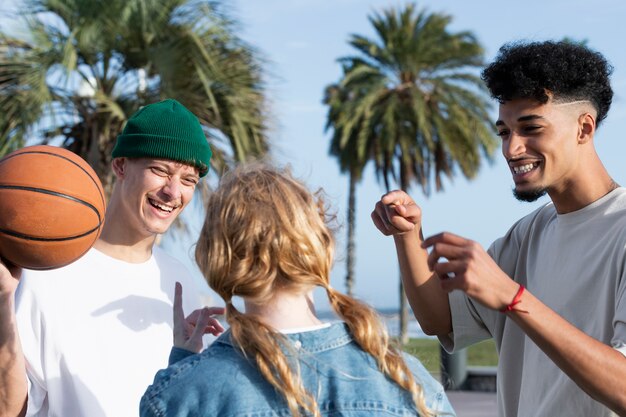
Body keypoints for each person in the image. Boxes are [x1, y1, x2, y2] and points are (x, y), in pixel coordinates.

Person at [371, 40, 626, 417]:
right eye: (504, 132)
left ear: (584, 129)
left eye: (531, 128)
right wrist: (408, 236)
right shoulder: (528, 234)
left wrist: (512, 296)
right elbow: (438, 319)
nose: (511, 148)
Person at [140, 164, 455, 416]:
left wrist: (182, 364)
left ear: (216, 256)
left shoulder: (178, 397)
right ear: (321, 247)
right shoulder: (406, 380)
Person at [0, 98, 224, 417]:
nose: (173, 192)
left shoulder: (178, 280)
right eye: (160, 170)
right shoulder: (43, 271)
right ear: (120, 165)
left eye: (188, 180)